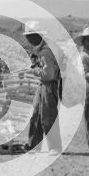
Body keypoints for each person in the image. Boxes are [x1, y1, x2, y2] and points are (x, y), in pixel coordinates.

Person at [23, 20, 62, 155]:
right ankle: (33, 145)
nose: (28, 40)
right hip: (43, 84)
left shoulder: (46, 51)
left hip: (49, 84)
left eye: (29, 37)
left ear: (37, 36)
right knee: (36, 114)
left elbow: (48, 74)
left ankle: (55, 146)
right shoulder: (43, 47)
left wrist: (34, 71)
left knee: (48, 115)